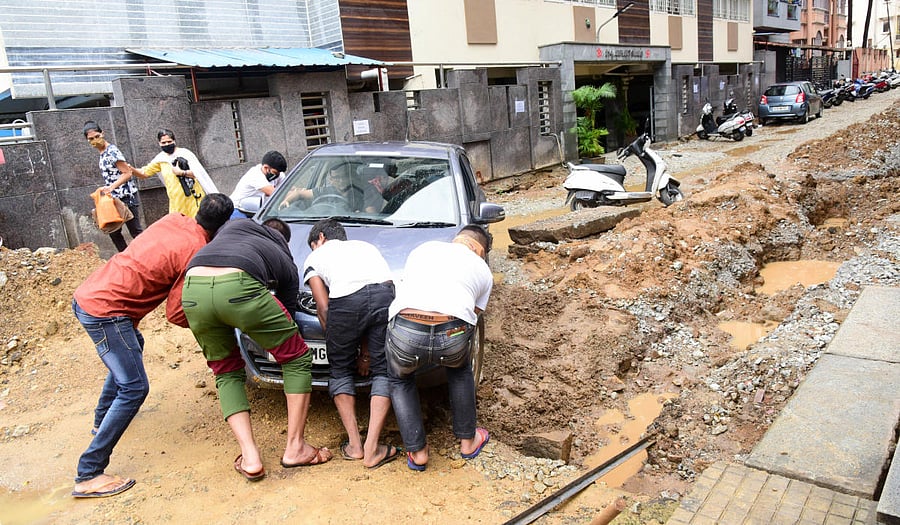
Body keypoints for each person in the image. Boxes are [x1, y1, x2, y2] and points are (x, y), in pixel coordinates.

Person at [70, 193, 234, 498]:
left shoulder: (174, 219)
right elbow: (176, 313)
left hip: (88, 295)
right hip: (108, 313)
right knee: (134, 388)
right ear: (222, 227)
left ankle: (100, 422)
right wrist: (214, 321)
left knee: (131, 350)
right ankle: (89, 473)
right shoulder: (197, 250)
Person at [181, 217, 333, 481]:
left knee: (226, 370)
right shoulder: (283, 256)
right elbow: (289, 314)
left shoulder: (231, 228)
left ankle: (250, 457)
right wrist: (275, 344)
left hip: (193, 289)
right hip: (240, 286)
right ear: (283, 240)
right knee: (296, 357)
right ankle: (296, 448)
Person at [386, 225, 494, 471]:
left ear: (458, 240)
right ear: (479, 249)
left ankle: (418, 451)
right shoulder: (483, 271)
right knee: (460, 370)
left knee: (400, 379)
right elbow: (472, 317)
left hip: (406, 329)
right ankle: (468, 441)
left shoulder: (424, 249)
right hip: (452, 332)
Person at [302, 218, 399, 469]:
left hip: (345, 303)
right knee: (383, 369)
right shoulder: (366, 247)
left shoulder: (316, 256)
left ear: (320, 238)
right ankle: (373, 447)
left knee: (340, 370)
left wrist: (339, 344)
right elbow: (370, 301)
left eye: (313, 244)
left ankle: (355, 446)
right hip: (384, 293)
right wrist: (364, 353)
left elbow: (324, 308)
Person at [83, 120, 144, 252]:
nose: (95, 140)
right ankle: (125, 259)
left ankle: (148, 257)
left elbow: (127, 173)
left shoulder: (112, 151)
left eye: (97, 137)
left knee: (136, 232)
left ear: (102, 133)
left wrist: (111, 187)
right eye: (91, 139)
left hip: (127, 197)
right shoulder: (102, 152)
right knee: (113, 232)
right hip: (113, 199)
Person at [130, 129, 218, 217]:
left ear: (174, 141)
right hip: (176, 201)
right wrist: (130, 169)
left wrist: (181, 172)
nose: (167, 144)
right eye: (163, 143)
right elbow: (144, 173)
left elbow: (198, 173)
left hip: (194, 198)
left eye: (169, 141)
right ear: (159, 143)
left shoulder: (185, 153)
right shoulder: (160, 159)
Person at [281, 163, 380, 213]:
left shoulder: (360, 193)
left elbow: (371, 215)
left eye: (343, 177)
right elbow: (299, 194)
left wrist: (358, 215)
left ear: (348, 178)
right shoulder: (325, 191)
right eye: (336, 178)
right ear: (331, 180)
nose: (340, 180)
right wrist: (286, 202)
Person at [228, 150, 287, 219]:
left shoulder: (279, 174)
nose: (277, 175)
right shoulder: (255, 175)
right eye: (275, 172)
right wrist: (296, 194)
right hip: (238, 209)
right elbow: (276, 193)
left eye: (279, 173)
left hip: (258, 210)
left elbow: (286, 189)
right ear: (266, 168)